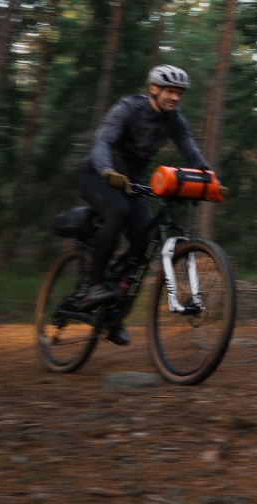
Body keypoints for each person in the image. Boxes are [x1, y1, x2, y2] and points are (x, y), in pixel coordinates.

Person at [74, 65, 214, 346]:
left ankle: (114, 314)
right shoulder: (128, 108)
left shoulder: (174, 121)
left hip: (131, 184)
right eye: (170, 91)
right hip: (97, 176)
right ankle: (94, 286)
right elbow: (103, 142)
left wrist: (209, 178)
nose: (175, 98)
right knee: (118, 211)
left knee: (145, 241)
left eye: (179, 94)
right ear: (154, 89)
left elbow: (192, 151)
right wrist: (107, 172)